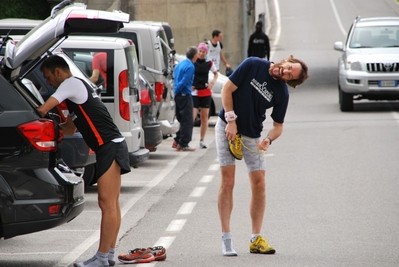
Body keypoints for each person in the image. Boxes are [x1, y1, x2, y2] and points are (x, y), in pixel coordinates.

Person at [37, 55, 131, 267]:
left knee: (107, 204)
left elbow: (42, 110)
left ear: (58, 72)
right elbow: (70, 128)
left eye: (48, 77)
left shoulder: (70, 84)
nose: (48, 82)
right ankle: (107, 256)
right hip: (112, 144)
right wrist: (54, 129)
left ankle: (101, 257)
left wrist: (34, 117)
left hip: (110, 146)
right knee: (112, 204)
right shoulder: (76, 90)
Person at [215, 55, 309, 256]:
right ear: (286, 61)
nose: (286, 71)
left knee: (260, 184)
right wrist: (231, 120)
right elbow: (227, 89)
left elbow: (278, 126)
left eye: (290, 75)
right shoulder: (253, 64)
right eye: (289, 67)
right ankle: (227, 239)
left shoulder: (281, 93)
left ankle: (255, 239)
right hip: (227, 125)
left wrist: (268, 139)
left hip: (252, 135)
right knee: (228, 181)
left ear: (289, 81)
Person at [172, 46, 198, 152]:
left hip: (178, 94)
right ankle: (183, 143)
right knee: (188, 120)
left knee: (182, 119)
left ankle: (177, 140)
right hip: (184, 94)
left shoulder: (180, 64)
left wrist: (175, 91)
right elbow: (183, 81)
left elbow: (176, 78)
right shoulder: (190, 66)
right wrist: (178, 90)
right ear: (195, 56)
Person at [192, 43, 218, 149]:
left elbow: (216, 74)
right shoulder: (193, 62)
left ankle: (202, 140)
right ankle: (187, 138)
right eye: (200, 51)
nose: (201, 53)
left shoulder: (209, 63)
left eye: (203, 52)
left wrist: (211, 83)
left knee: (204, 118)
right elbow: (188, 73)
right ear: (197, 52)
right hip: (194, 92)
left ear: (206, 53)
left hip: (205, 92)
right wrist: (190, 84)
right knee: (192, 117)